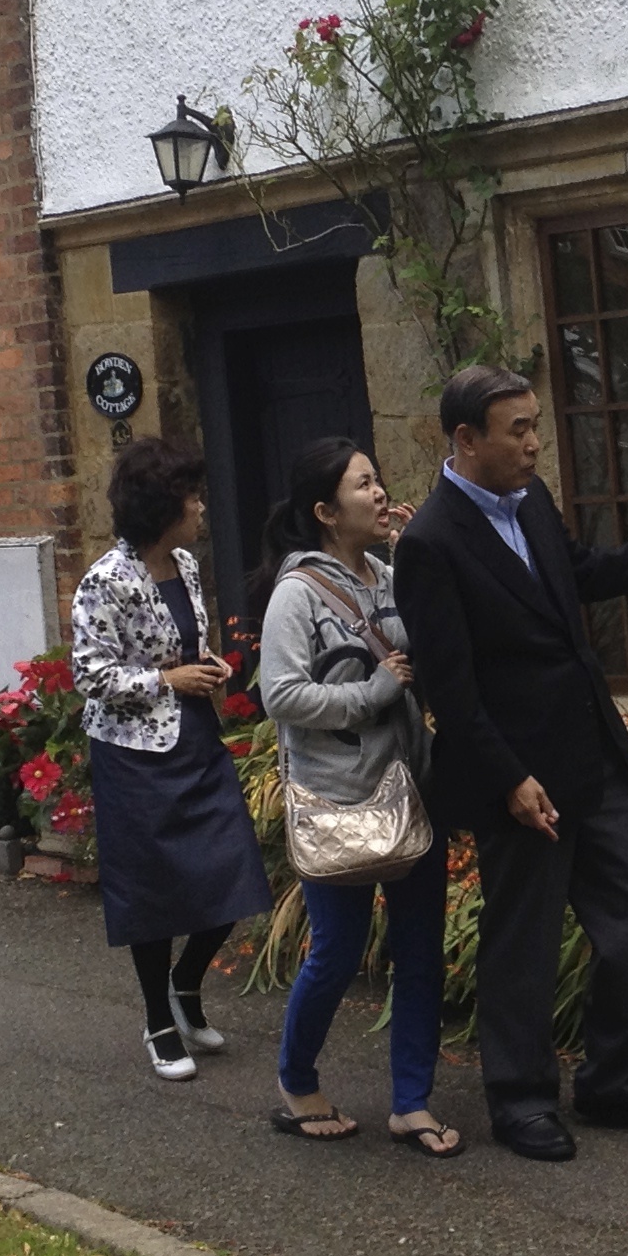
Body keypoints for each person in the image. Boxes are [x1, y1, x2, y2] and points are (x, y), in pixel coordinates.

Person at [392, 364, 628, 1160]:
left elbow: (578, 575)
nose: (535, 443)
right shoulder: (431, 543)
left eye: (536, 425)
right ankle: (521, 1100)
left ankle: (616, 1082)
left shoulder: (532, 500)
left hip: (592, 755)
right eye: (518, 430)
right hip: (517, 777)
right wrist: (510, 779)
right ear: (466, 439)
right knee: (524, 943)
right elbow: (450, 689)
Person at [252, 436, 460, 1156]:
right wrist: (372, 692)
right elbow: (281, 695)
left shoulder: (390, 575)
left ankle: (412, 1103)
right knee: (337, 952)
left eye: (378, 480)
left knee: (420, 951)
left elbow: (436, 643)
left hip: (413, 790)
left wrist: (418, 558)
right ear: (325, 511)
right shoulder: (297, 595)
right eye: (363, 484)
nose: (379, 493)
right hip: (338, 798)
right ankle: (297, 1083)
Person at [70, 436, 271, 1082]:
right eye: (192, 497)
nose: (202, 507)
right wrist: (166, 681)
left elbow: (179, 645)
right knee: (151, 893)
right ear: (163, 506)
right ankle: (159, 1018)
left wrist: (202, 666)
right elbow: (89, 673)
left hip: (195, 739)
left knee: (233, 870)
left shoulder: (183, 563)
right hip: (134, 756)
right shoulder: (105, 580)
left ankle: (186, 983)